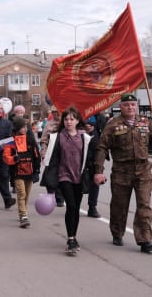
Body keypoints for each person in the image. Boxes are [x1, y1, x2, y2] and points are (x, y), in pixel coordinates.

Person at [94, 94, 152, 253]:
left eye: (133, 105)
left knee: (144, 206)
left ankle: (144, 240)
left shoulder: (146, 122)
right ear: (121, 107)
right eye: (127, 105)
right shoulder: (113, 125)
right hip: (122, 171)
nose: (130, 107)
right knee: (119, 206)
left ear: (137, 106)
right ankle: (117, 232)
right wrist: (98, 171)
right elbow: (102, 148)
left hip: (143, 171)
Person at [40, 107, 92, 255]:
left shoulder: (85, 137)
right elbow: (52, 159)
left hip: (79, 176)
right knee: (71, 205)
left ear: (77, 121)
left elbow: (90, 158)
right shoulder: (57, 137)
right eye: (66, 119)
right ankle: (70, 239)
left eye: (72, 119)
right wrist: (50, 178)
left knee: (76, 208)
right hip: (64, 176)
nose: (69, 122)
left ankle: (74, 236)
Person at [3, 117, 41, 228]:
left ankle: (23, 211)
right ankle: (23, 216)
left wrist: (37, 170)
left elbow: (36, 155)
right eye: (22, 127)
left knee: (27, 195)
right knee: (21, 194)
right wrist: (13, 159)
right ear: (17, 128)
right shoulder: (11, 141)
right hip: (17, 172)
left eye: (26, 127)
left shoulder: (30, 139)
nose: (25, 129)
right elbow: (6, 157)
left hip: (29, 171)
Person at [40, 105, 64, 207]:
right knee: (49, 175)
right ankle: (50, 194)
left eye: (57, 112)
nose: (55, 114)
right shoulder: (49, 125)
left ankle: (60, 198)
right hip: (51, 152)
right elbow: (44, 140)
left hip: (63, 153)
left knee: (62, 176)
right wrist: (43, 152)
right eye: (53, 112)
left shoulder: (66, 123)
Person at [84, 116, 101, 218]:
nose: (88, 126)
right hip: (83, 165)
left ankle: (92, 207)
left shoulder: (98, 134)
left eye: (90, 124)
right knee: (79, 186)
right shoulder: (81, 134)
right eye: (86, 124)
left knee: (94, 186)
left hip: (95, 164)